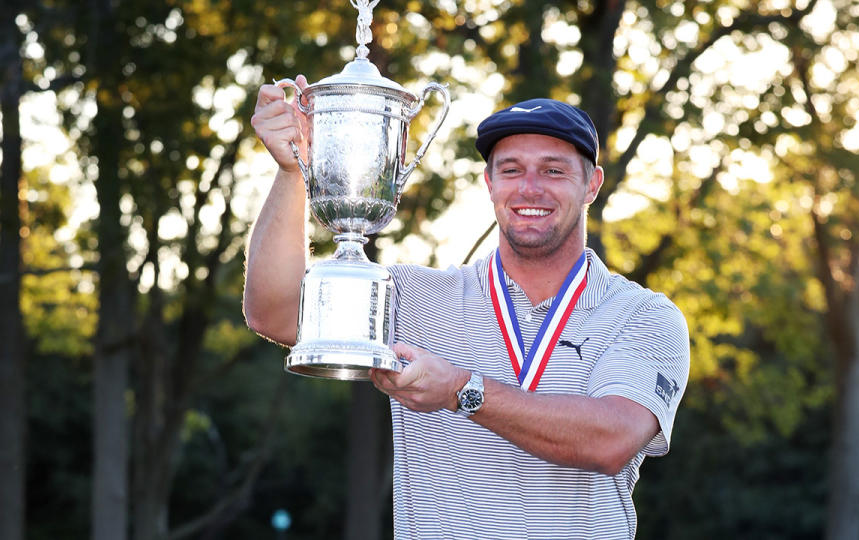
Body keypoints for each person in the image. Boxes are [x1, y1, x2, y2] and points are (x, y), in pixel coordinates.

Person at [245, 75, 690, 539]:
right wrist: (292, 169)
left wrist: (462, 389)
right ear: (489, 183)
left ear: (592, 185)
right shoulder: (417, 298)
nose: (530, 188)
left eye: (554, 171)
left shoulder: (643, 316)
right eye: (511, 169)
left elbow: (612, 439)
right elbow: (274, 311)